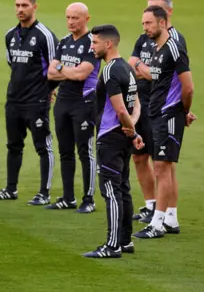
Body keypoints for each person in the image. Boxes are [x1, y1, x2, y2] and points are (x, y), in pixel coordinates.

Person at [0, 0, 58, 206]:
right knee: (13, 145)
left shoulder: (45, 36)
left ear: (34, 7)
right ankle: (11, 189)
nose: (20, 9)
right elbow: (13, 64)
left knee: (42, 146)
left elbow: (56, 69)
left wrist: (48, 90)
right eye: (17, 5)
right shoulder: (11, 35)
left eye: (24, 5)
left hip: (36, 102)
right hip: (14, 100)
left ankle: (44, 193)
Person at [134, 6, 194, 239]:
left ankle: (158, 224)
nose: (145, 28)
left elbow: (188, 87)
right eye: (143, 24)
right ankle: (164, 220)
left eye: (149, 23)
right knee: (162, 168)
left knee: (162, 168)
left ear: (163, 23)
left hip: (168, 115)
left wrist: (184, 111)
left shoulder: (174, 49)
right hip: (157, 114)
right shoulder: (158, 50)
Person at [83, 25, 143, 258]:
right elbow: (136, 104)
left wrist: (127, 126)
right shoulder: (127, 68)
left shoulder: (109, 71)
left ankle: (113, 245)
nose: (92, 46)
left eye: (95, 42)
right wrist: (133, 131)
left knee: (111, 190)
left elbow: (120, 110)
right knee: (123, 188)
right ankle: (125, 241)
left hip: (110, 138)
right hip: (123, 137)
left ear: (108, 44)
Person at [46, 3, 99, 213]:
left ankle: (89, 199)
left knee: (85, 151)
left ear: (87, 18)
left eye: (75, 18)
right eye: (68, 17)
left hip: (84, 103)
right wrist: (66, 69)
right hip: (63, 102)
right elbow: (51, 73)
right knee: (65, 151)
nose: (70, 22)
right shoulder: (65, 41)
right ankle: (68, 197)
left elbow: (81, 75)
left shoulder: (92, 44)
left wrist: (61, 68)